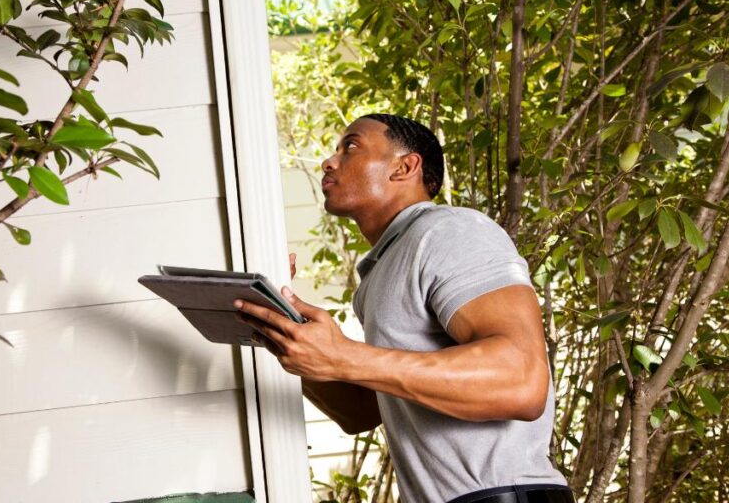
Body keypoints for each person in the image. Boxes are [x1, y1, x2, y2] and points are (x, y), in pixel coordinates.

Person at [234, 114, 573, 503]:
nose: (329, 161)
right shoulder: (382, 269)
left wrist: (344, 356)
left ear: (405, 166)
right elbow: (360, 413)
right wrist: (282, 330)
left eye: (351, 146)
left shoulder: (449, 231)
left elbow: (521, 380)